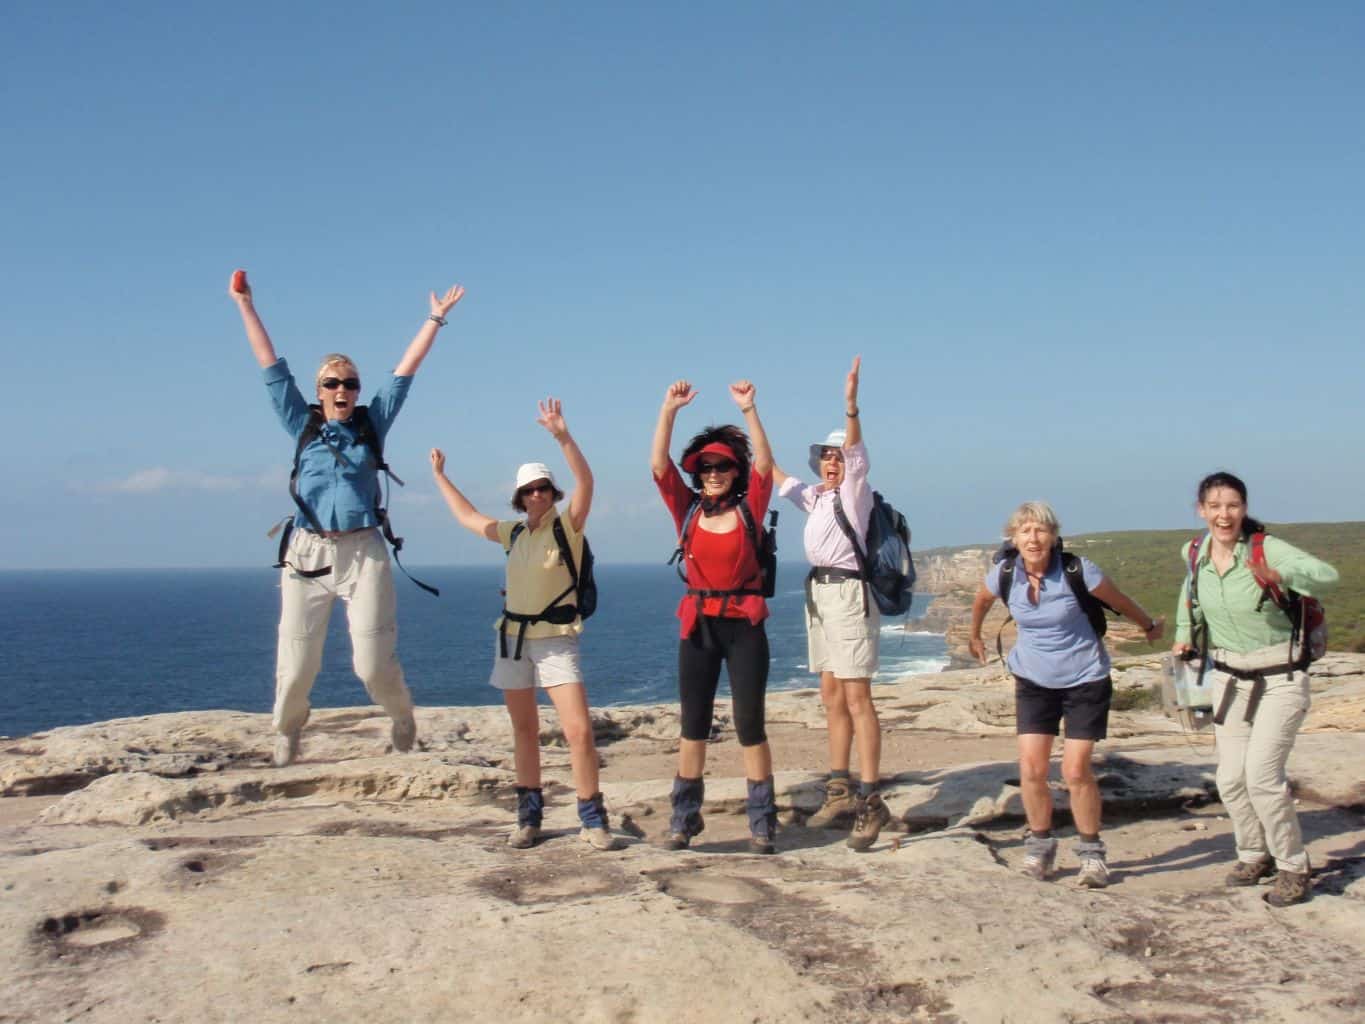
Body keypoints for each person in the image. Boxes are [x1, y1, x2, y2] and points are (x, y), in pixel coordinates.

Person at [230, 273, 465, 767]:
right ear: (319, 391)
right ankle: (288, 730)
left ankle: (402, 716)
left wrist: (435, 320)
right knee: (296, 664)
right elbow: (271, 367)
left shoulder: (370, 425)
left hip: (364, 552)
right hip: (308, 553)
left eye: (350, 383)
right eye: (332, 383)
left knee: (372, 664)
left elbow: (403, 374)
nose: (342, 389)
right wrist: (246, 306)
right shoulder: (303, 424)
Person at [429, 399, 621, 851]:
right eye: (529, 490)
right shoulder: (512, 534)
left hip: (555, 640)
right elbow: (468, 517)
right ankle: (528, 818)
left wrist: (562, 436)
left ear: (553, 493)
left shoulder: (567, 528)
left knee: (577, 731)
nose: (537, 495)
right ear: (519, 498)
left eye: (543, 488)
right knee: (523, 731)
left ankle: (592, 819)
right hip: (513, 639)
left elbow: (587, 482)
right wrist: (440, 478)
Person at [968, 502, 1163, 887]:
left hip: (1085, 680)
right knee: (1032, 770)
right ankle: (1040, 845)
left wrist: (1148, 626)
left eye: (1041, 530)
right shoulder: (1005, 573)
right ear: (1014, 538)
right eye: (1025, 531)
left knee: (1075, 770)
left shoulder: (1078, 571)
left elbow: (1119, 601)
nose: (1033, 538)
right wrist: (974, 634)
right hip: (1034, 681)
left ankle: (1091, 853)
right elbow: (981, 600)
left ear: (1054, 536)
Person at [1173, 471, 1338, 907]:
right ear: (1201, 510)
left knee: (1263, 777)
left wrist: (1280, 572)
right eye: (1215, 506)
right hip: (1229, 677)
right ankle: (1253, 853)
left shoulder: (1266, 547)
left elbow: (1326, 576)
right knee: (1230, 779)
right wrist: (1183, 632)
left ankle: (1292, 866)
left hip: (1280, 675)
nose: (1224, 514)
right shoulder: (1196, 552)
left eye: (1232, 505)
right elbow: (1189, 594)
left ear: (1243, 508)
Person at [651, 379, 779, 854]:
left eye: (722, 466)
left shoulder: (751, 508)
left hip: (744, 626)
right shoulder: (686, 510)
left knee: (749, 723)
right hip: (699, 625)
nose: (713, 473)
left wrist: (749, 409)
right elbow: (659, 467)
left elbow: (765, 466)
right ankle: (684, 820)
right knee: (693, 723)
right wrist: (669, 410)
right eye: (706, 467)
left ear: (734, 471)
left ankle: (762, 823)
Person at [771, 356, 891, 851]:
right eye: (826, 456)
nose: (832, 461)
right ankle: (838, 787)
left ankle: (870, 799)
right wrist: (749, 418)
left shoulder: (854, 493)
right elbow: (771, 471)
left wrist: (850, 406)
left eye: (838, 456)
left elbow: (858, 449)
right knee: (830, 695)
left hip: (847, 594)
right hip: (819, 595)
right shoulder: (816, 498)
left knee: (857, 697)